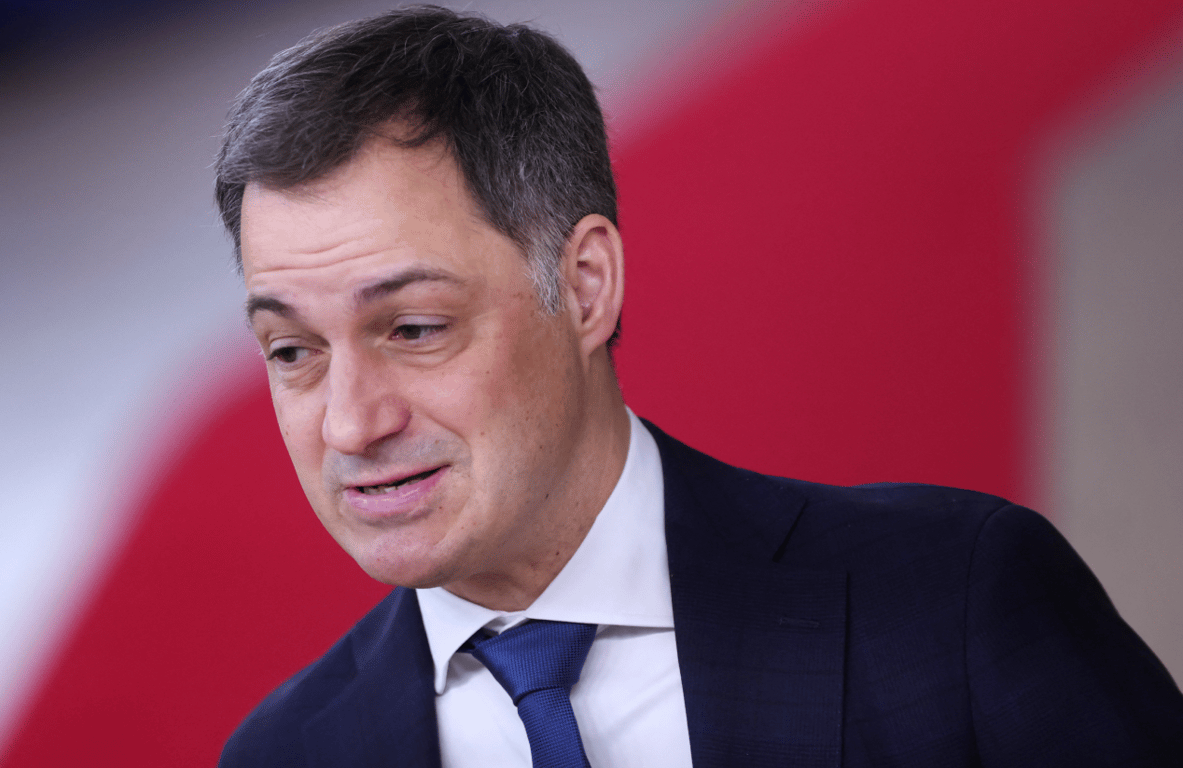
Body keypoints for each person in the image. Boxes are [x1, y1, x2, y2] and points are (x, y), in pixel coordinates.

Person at [212, 6, 1183, 767]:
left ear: (585, 286)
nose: (351, 423)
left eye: (415, 329)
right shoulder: (282, 756)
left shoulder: (952, 603)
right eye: (292, 351)